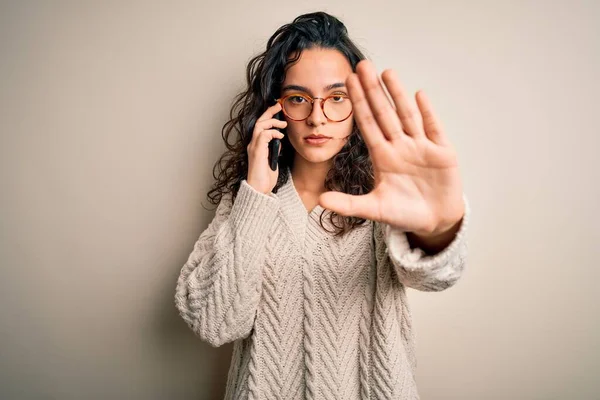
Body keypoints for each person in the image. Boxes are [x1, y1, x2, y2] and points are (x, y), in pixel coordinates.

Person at [174, 11, 470, 400]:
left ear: (358, 109)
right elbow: (216, 323)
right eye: (298, 98)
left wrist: (437, 229)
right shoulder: (245, 202)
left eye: (336, 98)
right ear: (274, 108)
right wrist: (255, 195)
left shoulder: (384, 197)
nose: (317, 118)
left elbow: (436, 276)